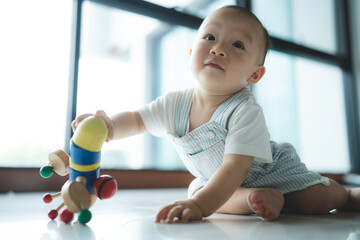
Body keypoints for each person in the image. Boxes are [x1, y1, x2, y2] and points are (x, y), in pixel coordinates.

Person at [72, 5, 360, 223]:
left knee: (315, 201)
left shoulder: (244, 109)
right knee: (197, 190)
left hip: (273, 172)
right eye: (210, 37)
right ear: (190, 54)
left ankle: (347, 195)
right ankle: (255, 200)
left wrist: (200, 209)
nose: (218, 49)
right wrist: (109, 126)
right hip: (225, 184)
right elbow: (136, 120)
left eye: (237, 45)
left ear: (255, 75)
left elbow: (235, 168)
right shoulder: (175, 104)